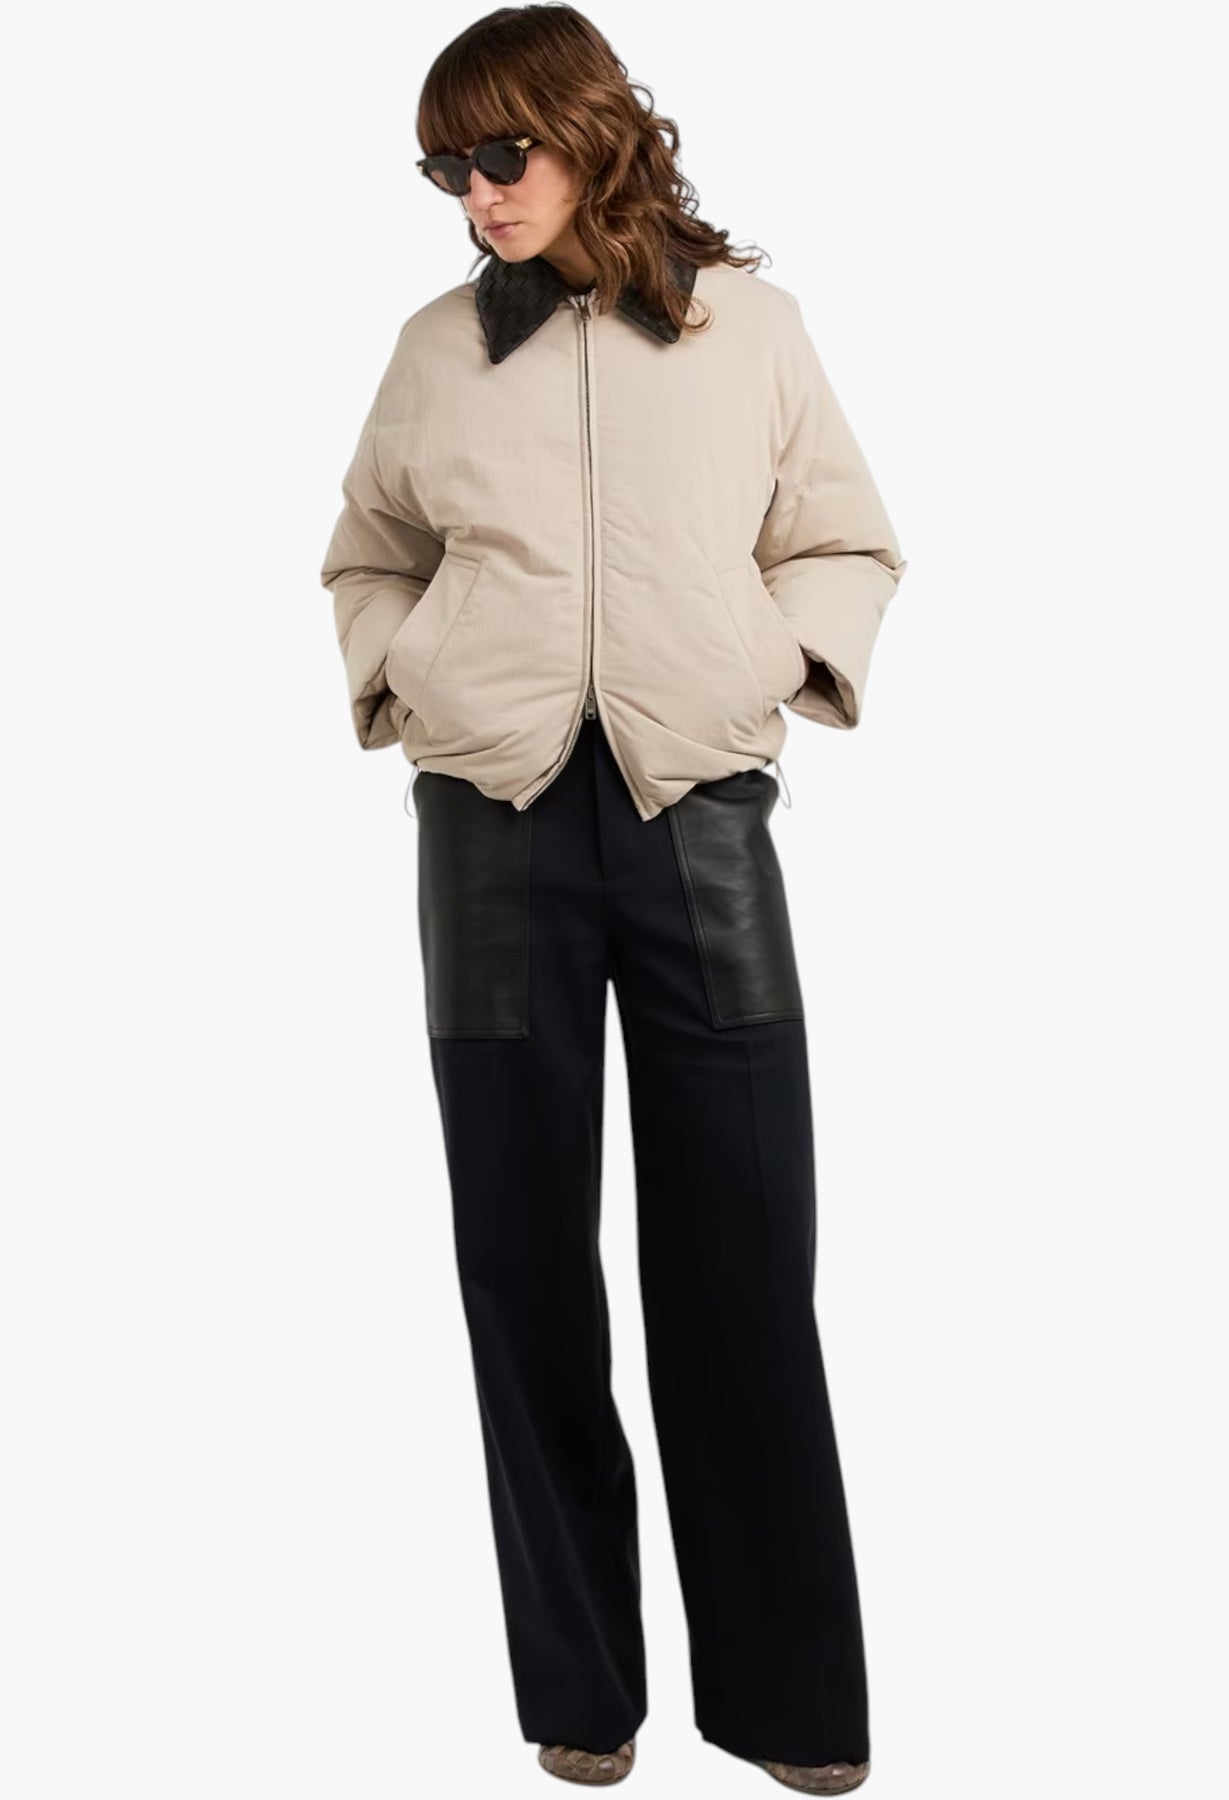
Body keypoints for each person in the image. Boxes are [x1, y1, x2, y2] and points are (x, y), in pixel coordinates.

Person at [319, 6, 907, 1791]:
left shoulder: (750, 331)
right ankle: (582, 1695)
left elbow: (844, 536)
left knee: (744, 1257)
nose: (477, 193)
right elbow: (366, 553)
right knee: (521, 1271)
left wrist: (767, 661)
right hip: (487, 833)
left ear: (589, 132)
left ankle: (789, 1707)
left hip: (695, 818)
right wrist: (409, 676)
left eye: (501, 153)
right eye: (445, 167)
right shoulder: (436, 350)